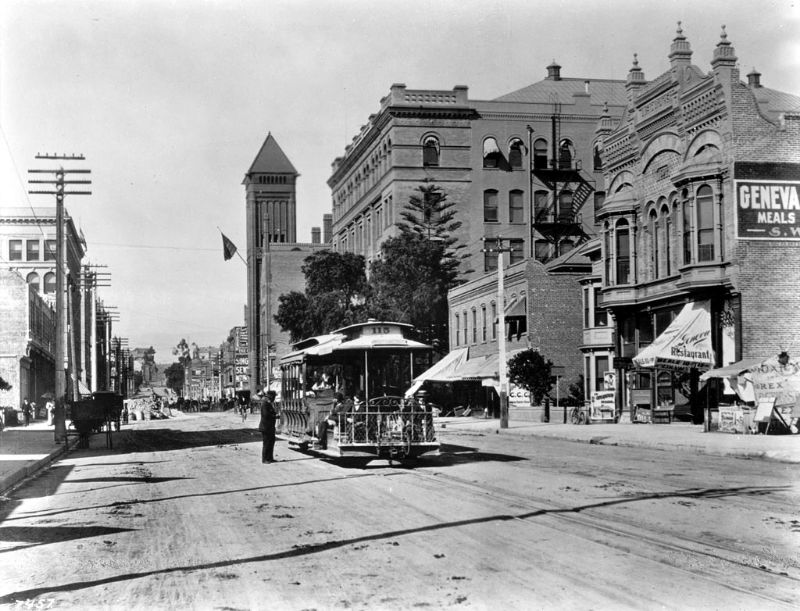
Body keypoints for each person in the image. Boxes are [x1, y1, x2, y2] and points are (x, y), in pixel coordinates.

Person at [258, 390, 278, 463]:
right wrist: (274, 415)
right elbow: (266, 415)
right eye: (274, 397)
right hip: (266, 427)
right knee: (266, 443)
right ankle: (265, 459)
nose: (274, 398)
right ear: (271, 397)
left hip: (270, 427)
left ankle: (270, 458)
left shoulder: (268, 404)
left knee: (271, 442)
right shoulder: (265, 404)